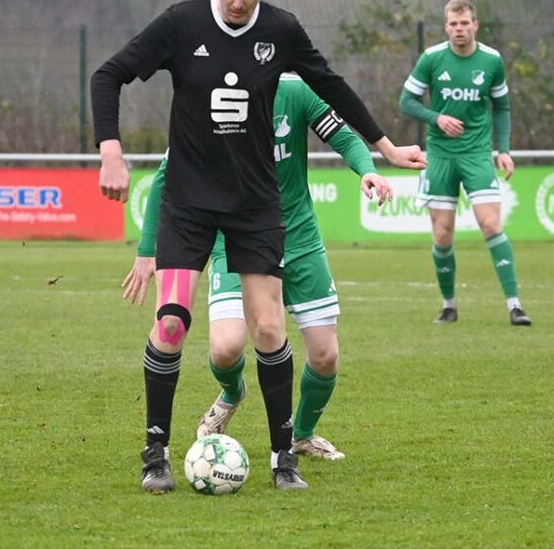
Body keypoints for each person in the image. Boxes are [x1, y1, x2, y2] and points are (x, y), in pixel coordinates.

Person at [91, 0, 425, 493]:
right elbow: (108, 74)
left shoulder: (280, 30)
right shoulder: (182, 23)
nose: (237, 2)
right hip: (188, 205)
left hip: (254, 207)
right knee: (171, 323)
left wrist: (385, 147)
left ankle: (283, 458)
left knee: (269, 327)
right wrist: (110, 153)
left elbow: (330, 85)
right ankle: (156, 452)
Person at [124, 72, 414, 463]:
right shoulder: (212, 96)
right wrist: (148, 250)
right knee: (225, 349)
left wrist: (367, 170)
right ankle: (232, 392)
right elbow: (165, 175)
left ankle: (302, 435)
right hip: (235, 238)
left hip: (298, 240)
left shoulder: (296, 91)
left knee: (326, 356)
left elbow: (344, 136)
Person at [399, 0, 532, 327]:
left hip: (476, 154)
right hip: (441, 155)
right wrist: (437, 118)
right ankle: (449, 306)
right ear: (446, 27)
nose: (459, 29)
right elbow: (407, 101)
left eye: (464, 23)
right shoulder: (432, 58)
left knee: (491, 225)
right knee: (443, 234)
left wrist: (504, 150)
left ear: (475, 25)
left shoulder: (491, 60)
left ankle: (515, 306)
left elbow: (502, 107)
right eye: (453, 24)